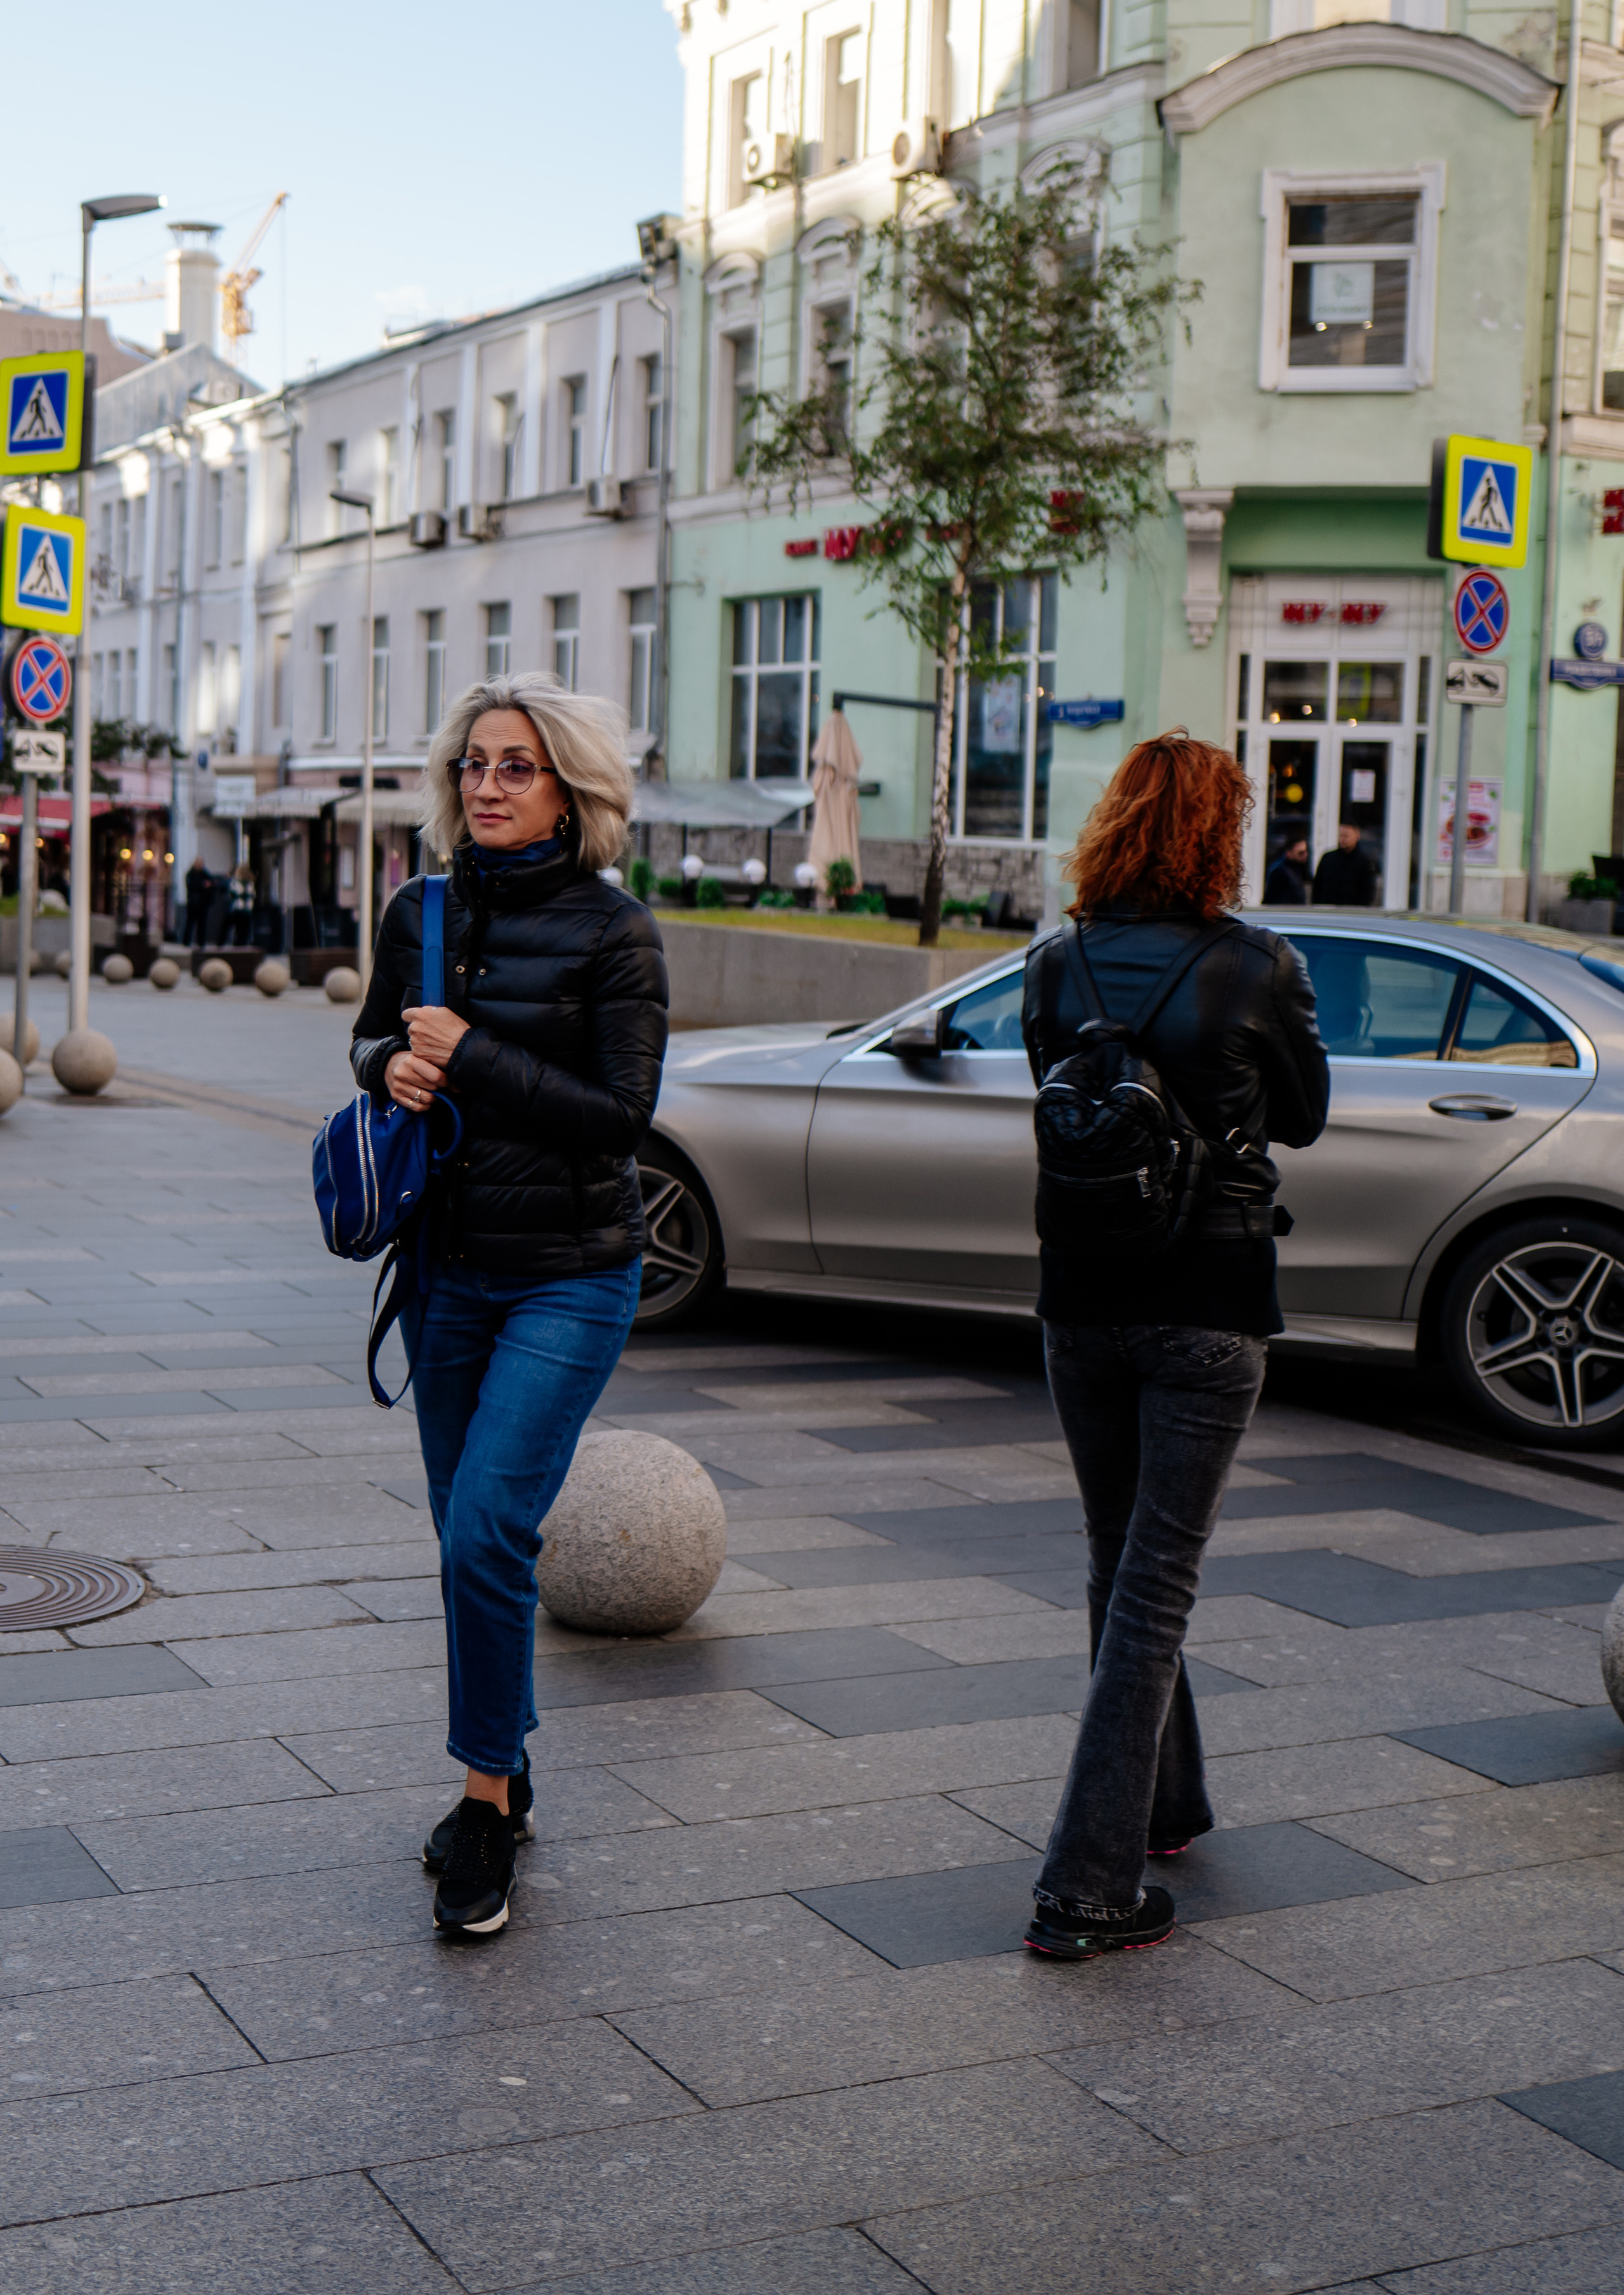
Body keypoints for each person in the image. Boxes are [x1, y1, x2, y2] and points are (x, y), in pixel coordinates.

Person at [350, 671, 666, 1938]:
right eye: (474, 762)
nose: (486, 784)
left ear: (569, 786)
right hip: (442, 1269)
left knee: (488, 1523)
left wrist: (470, 1052)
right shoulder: (415, 906)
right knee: (463, 1539)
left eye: (515, 764)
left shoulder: (616, 932)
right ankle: (507, 1760)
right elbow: (371, 1041)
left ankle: (482, 1807)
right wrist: (397, 1065)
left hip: (569, 1270)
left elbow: (619, 1114)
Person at [1019, 730, 1329, 1961]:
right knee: (1153, 1587)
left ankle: (1163, 1802)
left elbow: (1062, 1101)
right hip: (1207, 1297)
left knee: (1120, 1564)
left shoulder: (1053, 963)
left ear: (1113, 821)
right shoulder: (1255, 963)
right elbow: (1299, 1117)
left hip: (1077, 1299)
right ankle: (1085, 1885)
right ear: (1218, 831)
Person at [1312, 822, 1378, 906]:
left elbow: (1368, 892)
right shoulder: (1328, 858)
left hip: (1352, 912)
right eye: (1340, 836)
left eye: (1346, 836)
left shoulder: (1365, 862)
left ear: (1357, 836)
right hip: (1328, 909)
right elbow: (1317, 886)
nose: (1342, 839)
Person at [1262, 834, 1310, 906]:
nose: (1305, 855)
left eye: (1306, 851)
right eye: (1301, 853)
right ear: (1289, 853)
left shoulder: (1298, 869)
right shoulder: (1281, 872)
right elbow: (1271, 900)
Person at [183, 859, 214, 947]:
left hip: (203, 903)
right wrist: (203, 885)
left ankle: (201, 943)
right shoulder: (191, 875)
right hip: (193, 903)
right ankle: (186, 942)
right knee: (190, 923)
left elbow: (212, 883)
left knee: (202, 924)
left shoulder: (205, 874)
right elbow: (192, 886)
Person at [227, 861, 256, 946]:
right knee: (245, 932)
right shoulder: (250, 884)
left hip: (238, 909)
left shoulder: (235, 883)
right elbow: (252, 895)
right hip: (248, 910)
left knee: (238, 932)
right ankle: (243, 947)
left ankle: (238, 949)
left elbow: (232, 895)